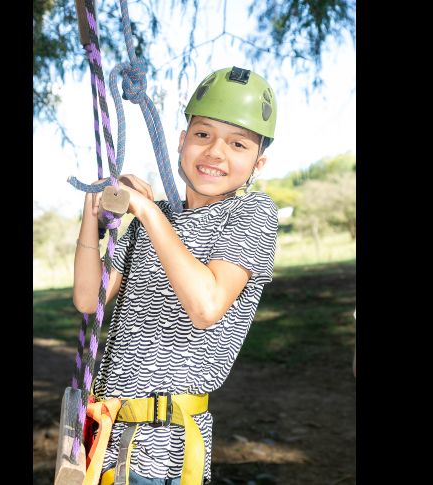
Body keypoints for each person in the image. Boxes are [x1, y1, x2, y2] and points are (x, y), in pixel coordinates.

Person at [72, 66, 279, 485]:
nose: (216, 153)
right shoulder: (160, 218)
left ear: (257, 163)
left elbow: (205, 306)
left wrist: (146, 212)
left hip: (164, 450)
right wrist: (94, 215)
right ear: (182, 141)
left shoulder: (252, 213)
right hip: (105, 438)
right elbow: (88, 300)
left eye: (237, 143)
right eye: (203, 135)